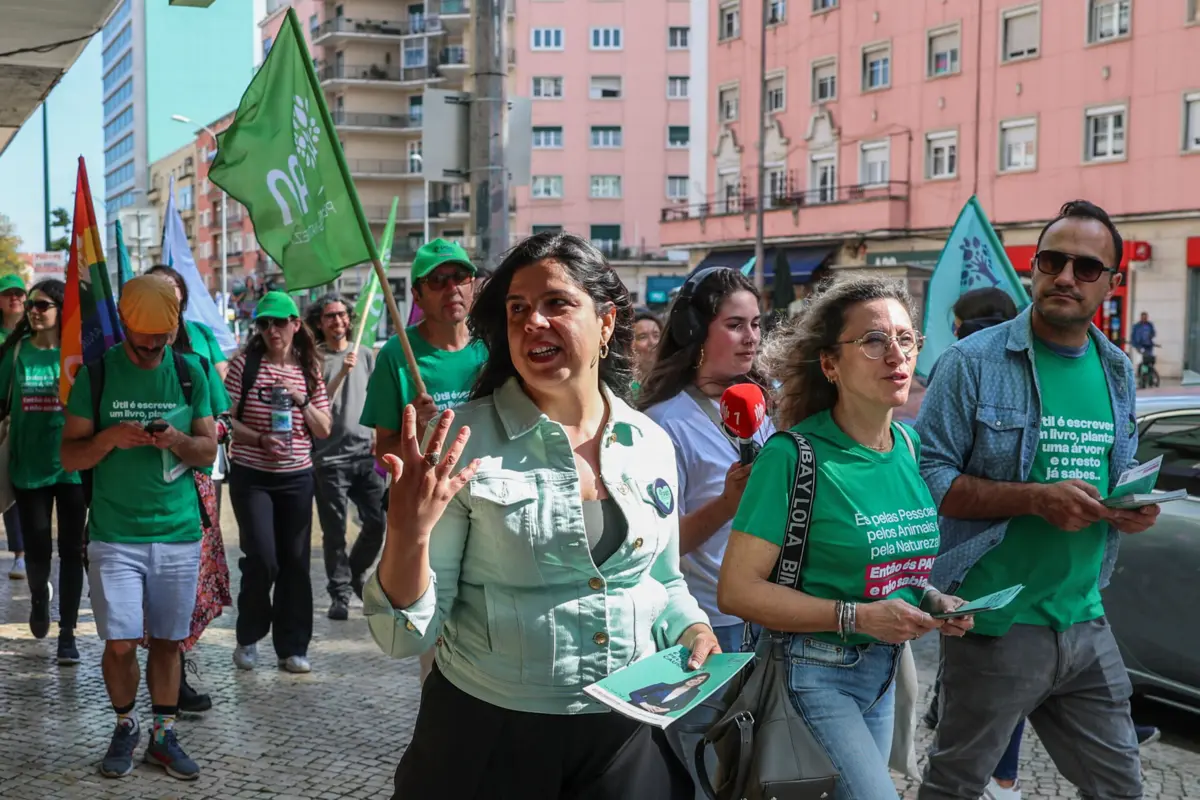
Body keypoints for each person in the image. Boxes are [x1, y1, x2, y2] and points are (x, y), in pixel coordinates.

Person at [363, 231, 717, 799]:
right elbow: (407, 636)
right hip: (490, 736)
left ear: (605, 323)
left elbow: (662, 577)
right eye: (518, 309)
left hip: (627, 729)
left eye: (557, 303)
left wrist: (690, 624)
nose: (534, 322)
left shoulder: (650, 440)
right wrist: (408, 533)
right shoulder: (455, 442)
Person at [915, 201, 1157, 800]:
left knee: (1121, 787)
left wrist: (1131, 508)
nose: (1066, 277)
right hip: (997, 622)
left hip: (1084, 617)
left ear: (1112, 282)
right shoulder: (971, 362)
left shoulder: (1118, 370)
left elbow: (1115, 473)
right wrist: (1032, 500)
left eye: (1086, 266)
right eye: (1052, 260)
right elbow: (927, 478)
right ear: (1034, 268)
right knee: (956, 785)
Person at [718, 275, 973, 800]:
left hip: (881, 678)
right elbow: (737, 591)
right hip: (814, 675)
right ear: (830, 363)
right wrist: (857, 617)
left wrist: (931, 598)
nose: (896, 356)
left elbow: (892, 566)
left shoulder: (906, 443)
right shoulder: (792, 456)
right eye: (874, 341)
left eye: (906, 340)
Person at [60, 275, 217, 781]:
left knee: (169, 641)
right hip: (114, 534)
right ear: (125, 324)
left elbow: (208, 450)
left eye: (162, 336)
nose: (152, 345)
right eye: (143, 335)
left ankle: (163, 735)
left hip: (178, 531)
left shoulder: (192, 373)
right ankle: (126, 724)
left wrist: (175, 439)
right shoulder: (98, 375)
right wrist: (108, 438)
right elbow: (68, 454)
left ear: (174, 328)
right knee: (121, 643)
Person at [360, 237, 487, 681]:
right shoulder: (398, 355)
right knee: (433, 636)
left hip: (491, 508)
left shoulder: (496, 350)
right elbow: (384, 449)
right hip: (432, 516)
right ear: (417, 295)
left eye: (461, 277)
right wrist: (420, 437)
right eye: (438, 280)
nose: (452, 288)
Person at [640, 268, 773, 654]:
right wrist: (726, 505)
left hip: (766, 609)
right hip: (706, 621)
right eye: (735, 325)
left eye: (755, 324)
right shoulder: (663, 422)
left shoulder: (762, 405)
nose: (751, 338)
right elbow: (661, 544)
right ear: (696, 332)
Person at [143, 264, 233, 714]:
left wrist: (195, 434)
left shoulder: (197, 349)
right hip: (141, 486)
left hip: (192, 481)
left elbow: (220, 415)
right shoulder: (125, 358)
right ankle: (164, 679)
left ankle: (175, 673)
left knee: (188, 579)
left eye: (173, 296)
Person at [226, 292, 331, 674]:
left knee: (296, 563)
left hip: (297, 477)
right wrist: (257, 438)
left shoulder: (309, 370)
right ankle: (249, 637)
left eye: (279, 322)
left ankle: (292, 647)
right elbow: (225, 421)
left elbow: (324, 427)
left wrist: (301, 401)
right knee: (263, 560)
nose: (272, 330)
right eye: (264, 324)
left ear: (295, 324)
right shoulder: (244, 367)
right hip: (253, 476)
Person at [0, 279, 85, 664]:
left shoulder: (77, 357)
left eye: (43, 304)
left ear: (61, 310)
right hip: (28, 466)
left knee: (71, 550)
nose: (34, 310)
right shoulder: (15, 353)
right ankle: (39, 598)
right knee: (37, 549)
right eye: (31, 304)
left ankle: (67, 633)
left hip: (71, 468)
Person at [306, 293, 386, 620]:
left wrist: (380, 436)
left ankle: (354, 572)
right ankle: (339, 594)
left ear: (349, 319)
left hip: (364, 455)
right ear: (320, 323)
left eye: (341, 315)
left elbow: (378, 399)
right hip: (328, 459)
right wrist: (340, 373)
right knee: (335, 530)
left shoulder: (366, 355)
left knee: (377, 522)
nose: (337, 321)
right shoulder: (314, 360)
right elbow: (316, 404)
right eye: (330, 316)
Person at [1, 273, 27, 579]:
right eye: (8, 294)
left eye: (19, 293)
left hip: (32, 419)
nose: (15, 298)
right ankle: (19, 552)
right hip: (4, 419)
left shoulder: (35, 336)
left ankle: (28, 551)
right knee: (7, 483)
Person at [630, 673, 711, 715]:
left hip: (654, 718)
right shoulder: (662, 686)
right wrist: (645, 705)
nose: (695, 680)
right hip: (634, 709)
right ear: (690, 677)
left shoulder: (691, 694)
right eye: (695, 678)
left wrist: (665, 709)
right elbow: (634, 693)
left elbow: (682, 706)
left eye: (700, 680)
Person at [631, 309, 662, 397]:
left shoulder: (670, 377)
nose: (652, 342)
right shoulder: (627, 384)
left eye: (656, 335)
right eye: (642, 337)